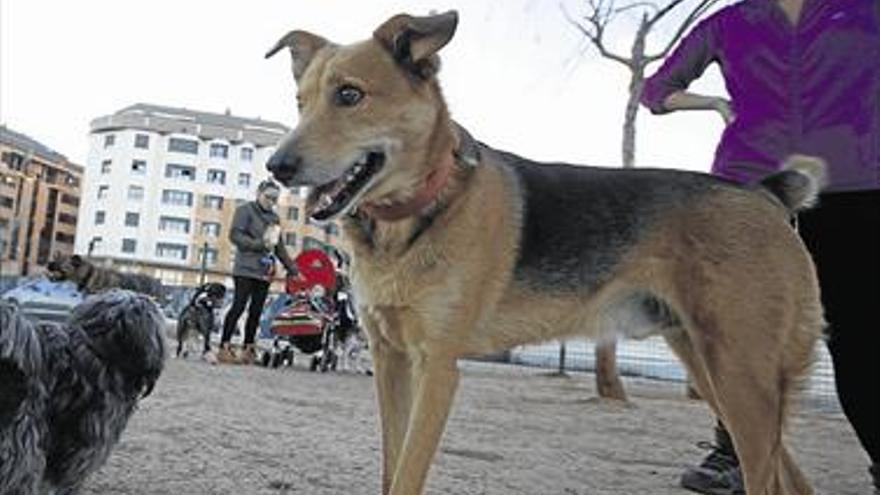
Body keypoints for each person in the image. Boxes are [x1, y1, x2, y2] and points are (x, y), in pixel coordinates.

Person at [640, 0, 880, 493]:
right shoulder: (727, 23)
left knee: (857, 336)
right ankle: (734, 455)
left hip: (854, 187)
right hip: (746, 192)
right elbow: (655, 91)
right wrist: (712, 103)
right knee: (733, 328)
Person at [217, 180, 298, 365]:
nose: (271, 202)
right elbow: (235, 235)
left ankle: (248, 348)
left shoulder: (275, 218)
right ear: (258, 193)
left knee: (256, 311)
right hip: (245, 268)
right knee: (238, 306)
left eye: (275, 199)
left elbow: (279, 246)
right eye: (268, 197)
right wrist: (258, 245)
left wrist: (292, 269)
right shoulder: (244, 211)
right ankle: (224, 346)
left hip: (264, 271)